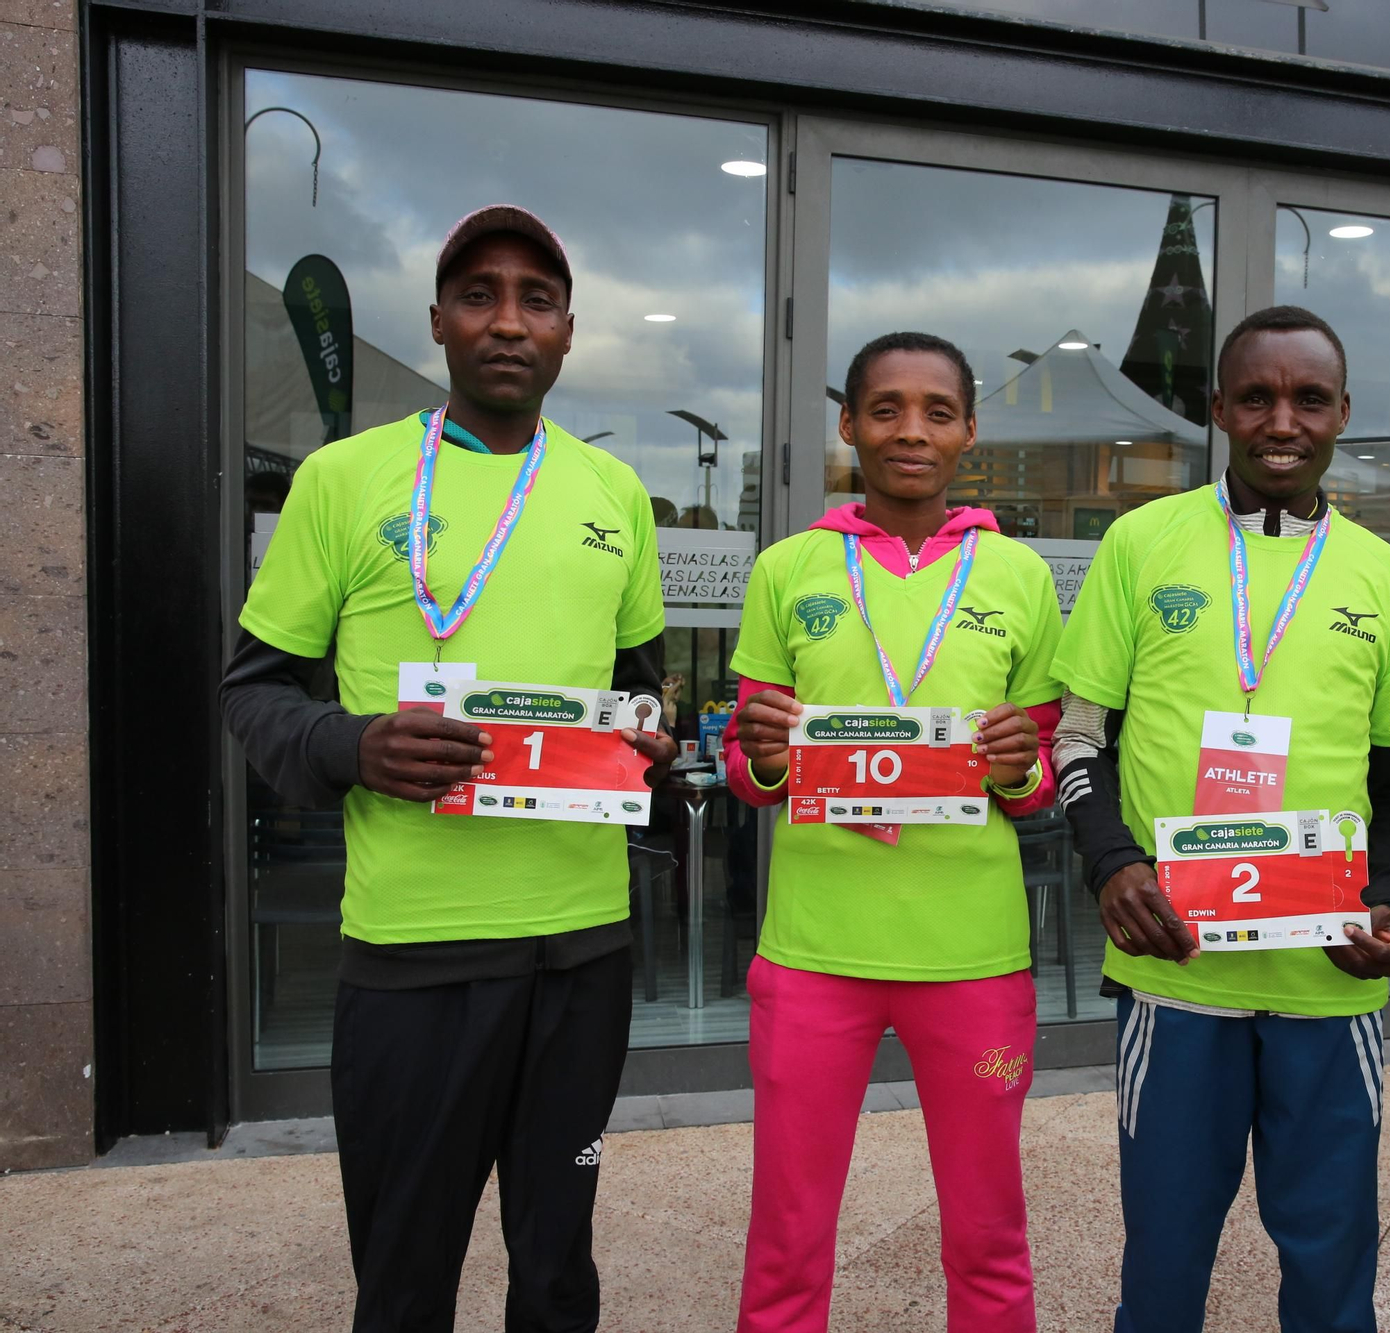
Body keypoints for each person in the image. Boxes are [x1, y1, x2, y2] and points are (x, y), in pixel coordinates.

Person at [222, 205, 668, 1332]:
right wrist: (354, 744)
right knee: (404, 1275)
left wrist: (654, 733)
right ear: (437, 323)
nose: (507, 320)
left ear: (568, 330)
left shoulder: (615, 495)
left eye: (535, 299)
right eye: (479, 294)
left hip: (581, 947)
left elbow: (644, 687)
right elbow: (253, 692)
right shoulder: (342, 478)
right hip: (412, 953)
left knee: (556, 1271)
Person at [1052, 305, 1390, 1333]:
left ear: (1340, 413)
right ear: (1217, 408)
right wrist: (1111, 868)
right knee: (1166, 1257)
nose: (1282, 419)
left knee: (1328, 1258)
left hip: (1323, 983)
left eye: (1308, 398)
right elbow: (1075, 741)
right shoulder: (1140, 543)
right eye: (1256, 395)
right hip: (1178, 976)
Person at [724, 331, 1062, 1333]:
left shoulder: (1018, 576)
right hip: (812, 958)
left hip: (974, 964)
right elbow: (749, 767)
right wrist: (772, 755)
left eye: (935, 411)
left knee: (987, 1224)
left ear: (967, 432)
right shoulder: (788, 569)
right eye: (885, 409)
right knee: (786, 1228)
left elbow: (1036, 773)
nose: (910, 430)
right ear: (848, 425)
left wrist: (1016, 769)